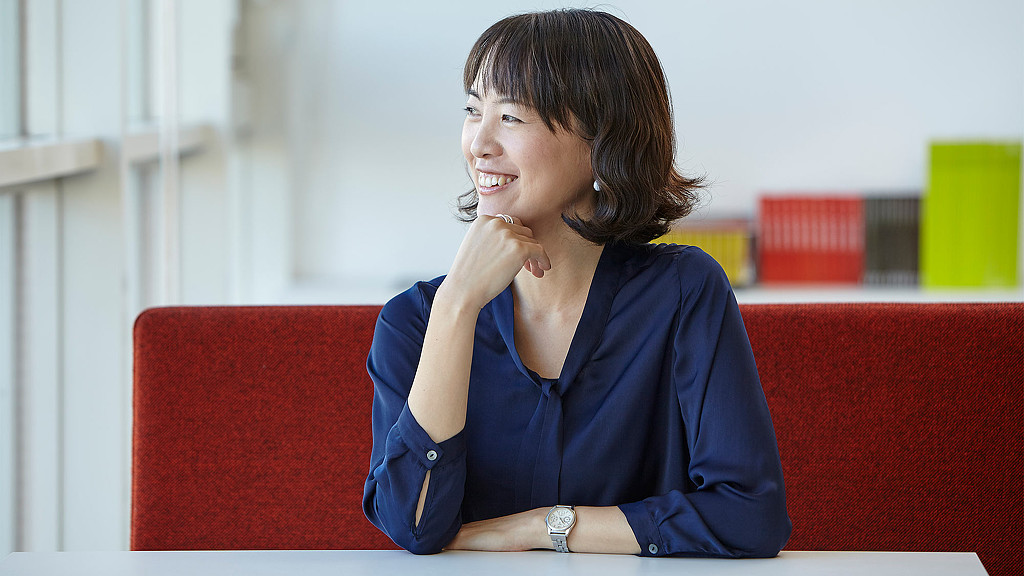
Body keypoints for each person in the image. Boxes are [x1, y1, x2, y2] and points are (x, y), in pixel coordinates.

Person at [362, 8, 791, 557]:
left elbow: (750, 515)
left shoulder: (682, 292)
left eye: (512, 117)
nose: (479, 144)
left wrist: (542, 527)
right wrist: (457, 307)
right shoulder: (418, 320)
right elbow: (414, 526)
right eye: (473, 110)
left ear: (600, 140)